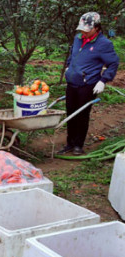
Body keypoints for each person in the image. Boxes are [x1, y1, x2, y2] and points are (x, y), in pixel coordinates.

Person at [58, 12, 119, 155]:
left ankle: (78, 145)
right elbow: (73, 54)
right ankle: (70, 143)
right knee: (71, 113)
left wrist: (103, 80)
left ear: (96, 28)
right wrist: (69, 66)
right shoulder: (78, 38)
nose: (83, 32)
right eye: (82, 29)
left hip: (87, 85)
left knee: (82, 114)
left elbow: (113, 63)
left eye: (86, 30)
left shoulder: (104, 44)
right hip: (72, 83)